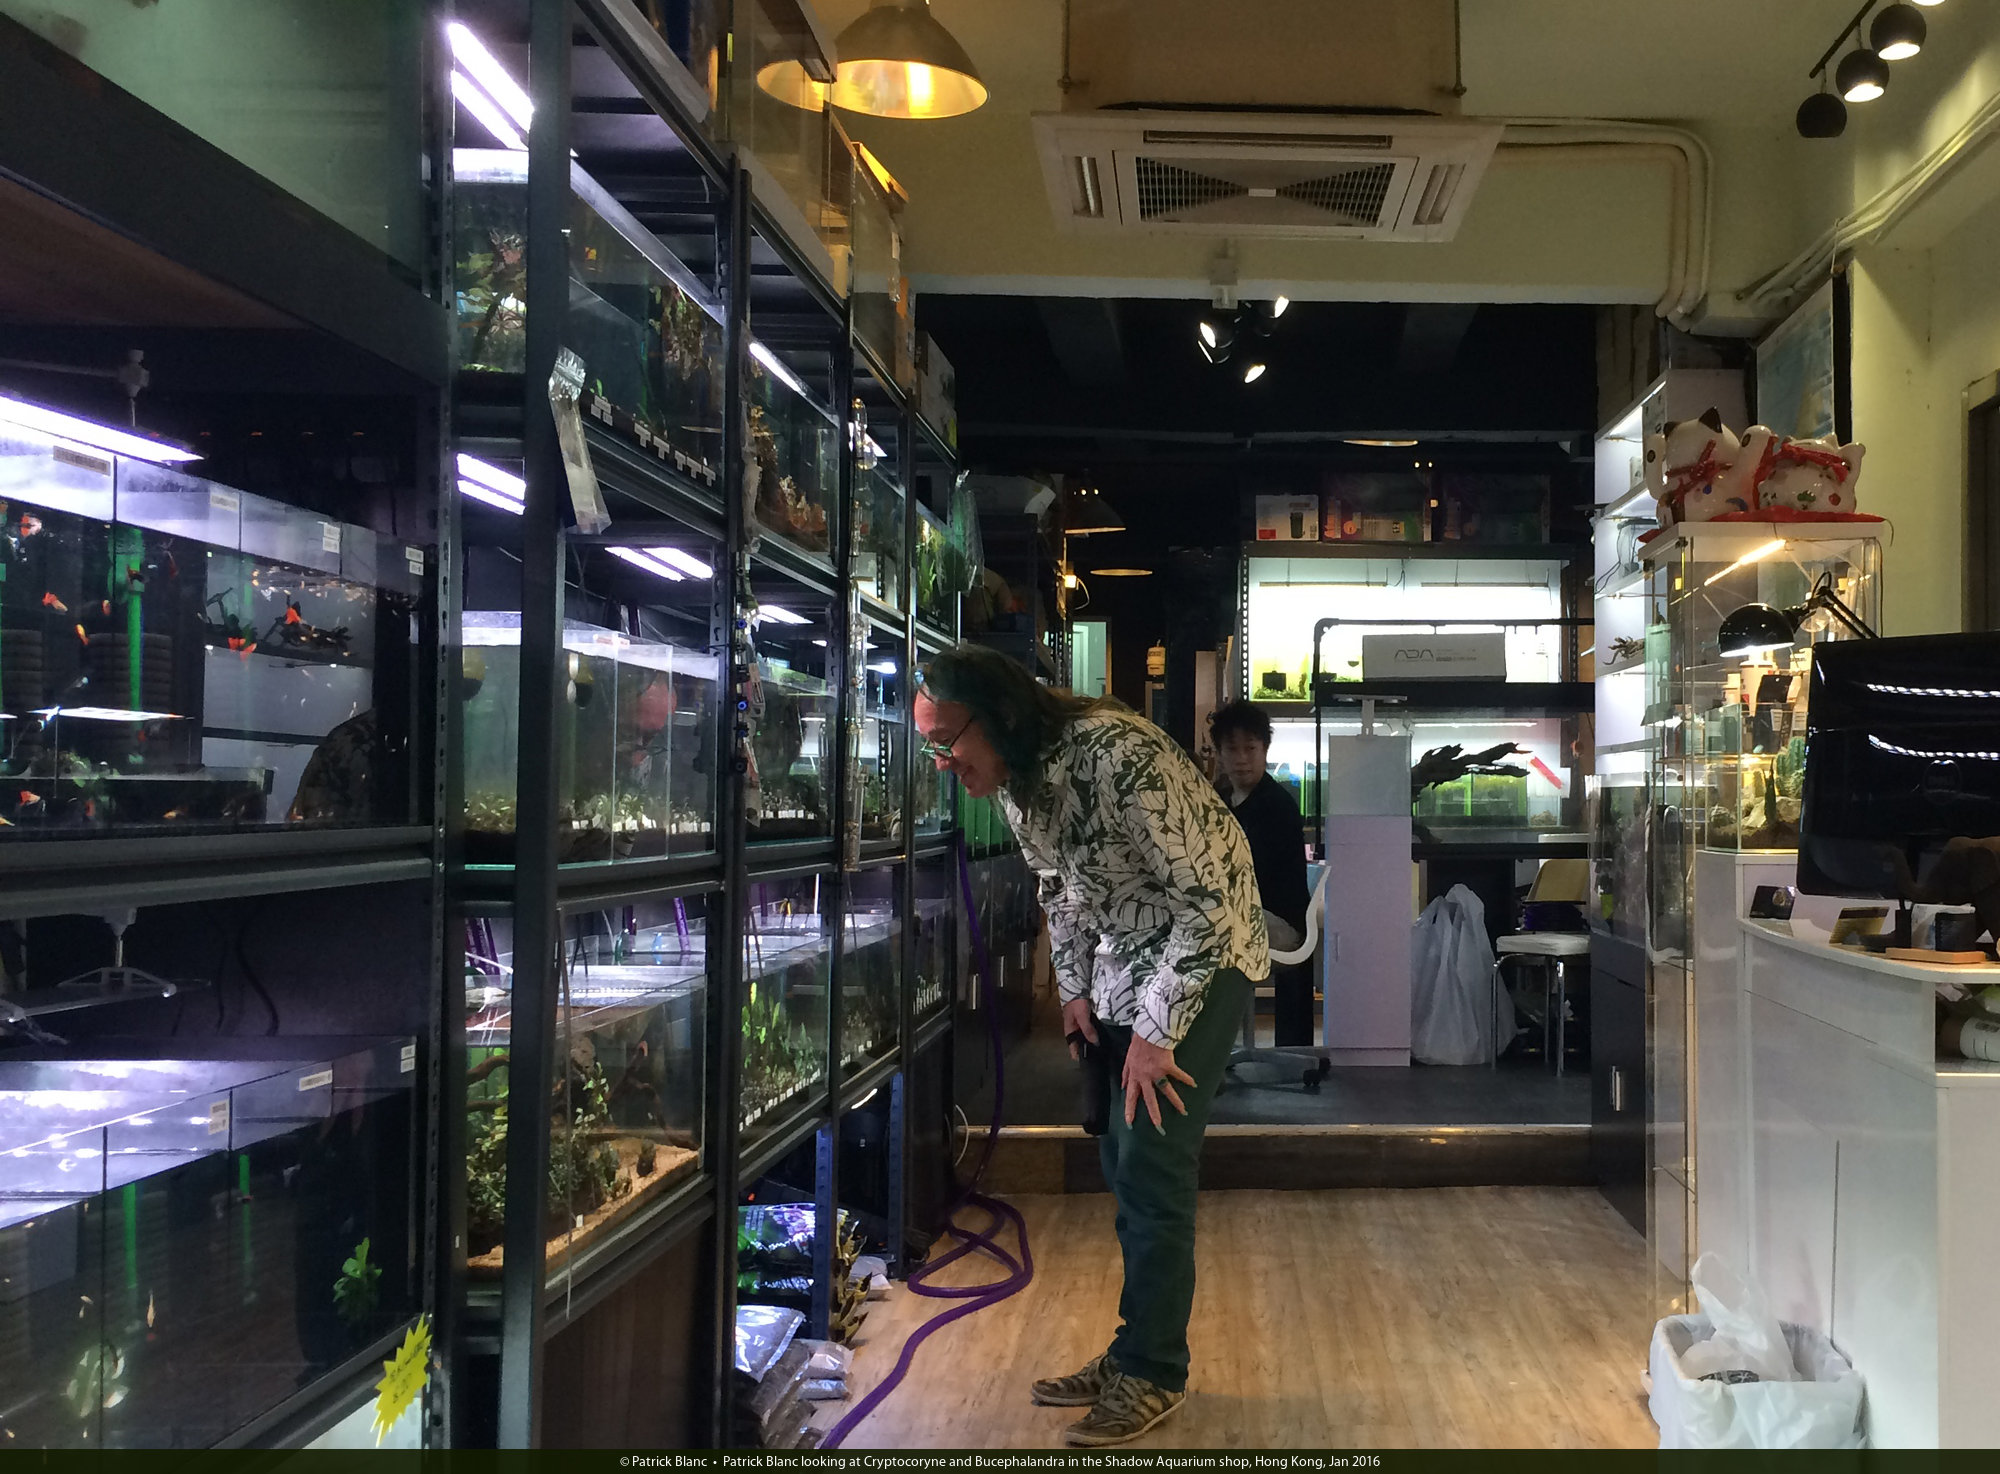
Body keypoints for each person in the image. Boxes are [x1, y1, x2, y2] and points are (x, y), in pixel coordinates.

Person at [915, 643, 1268, 1447]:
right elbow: (1061, 890)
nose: (942, 763)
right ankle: (1132, 1349)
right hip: (1124, 956)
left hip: (1205, 953)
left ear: (997, 717)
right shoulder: (1018, 781)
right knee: (1118, 1157)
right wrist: (1073, 990)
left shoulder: (1118, 756)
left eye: (946, 742)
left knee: (1151, 1159)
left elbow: (1210, 905)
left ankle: (1153, 1370)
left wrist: (1155, 1032)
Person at [1208, 700, 1314, 1046]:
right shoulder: (1219, 799)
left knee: (1198, 935)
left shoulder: (1277, 805)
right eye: (1232, 749)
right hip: (1244, 914)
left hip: (1279, 922)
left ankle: (1210, 1050)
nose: (1241, 758)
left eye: (1250, 748)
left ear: (1265, 750)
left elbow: (1251, 875)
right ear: (1219, 754)